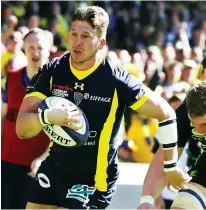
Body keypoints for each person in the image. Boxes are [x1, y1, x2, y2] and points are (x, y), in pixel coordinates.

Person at [16, 6, 190, 209]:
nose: (77, 42)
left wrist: (170, 167)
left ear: (100, 43)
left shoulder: (116, 79)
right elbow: (22, 129)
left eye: (85, 36)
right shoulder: (52, 71)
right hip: (55, 168)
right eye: (73, 34)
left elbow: (167, 113)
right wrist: (46, 117)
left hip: (93, 180)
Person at [1, 28, 50, 209]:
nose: (35, 52)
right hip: (7, 162)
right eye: (30, 47)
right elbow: (4, 115)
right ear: (23, 49)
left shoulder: (58, 84)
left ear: (48, 50)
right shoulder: (12, 77)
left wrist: (45, 157)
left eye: (40, 47)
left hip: (37, 167)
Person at [138, 81, 206, 210]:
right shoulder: (190, 107)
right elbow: (164, 156)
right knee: (185, 203)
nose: (198, 130)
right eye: (193, 124)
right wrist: (147, 200)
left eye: (204, 124)